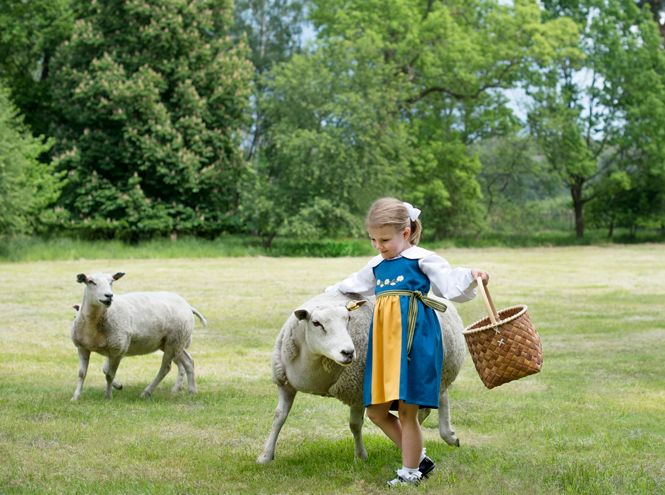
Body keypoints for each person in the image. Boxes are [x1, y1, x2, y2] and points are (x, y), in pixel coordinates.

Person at [325, 198, 489, 486]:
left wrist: (472, 276)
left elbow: (450, 284)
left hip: (416, 340)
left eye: (384, 239)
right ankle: (419, 458)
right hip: (385, 345)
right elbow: (350, 285)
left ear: (405, 232)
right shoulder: (377, 264)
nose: (378, 245)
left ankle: (410, 473)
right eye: (372, 239)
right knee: (376, 411)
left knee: (406, 409)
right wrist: (326, 296)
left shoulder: (422, 259)